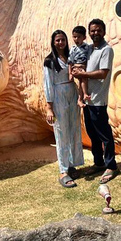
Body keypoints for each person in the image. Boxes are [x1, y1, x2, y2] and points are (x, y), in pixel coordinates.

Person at [71, 19, 118, 184]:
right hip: (87, 100)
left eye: (98, 30)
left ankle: (111, 165)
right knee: (92, 134)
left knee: (104, 134)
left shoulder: (106, 50)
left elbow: (102, 73)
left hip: (98, 100)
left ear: (104, 32)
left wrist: (82, 75)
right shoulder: (89, 49)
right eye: (92, 31)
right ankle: (99, 163)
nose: (95, 33)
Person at [43, 30, 84, 188]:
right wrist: (49, 108)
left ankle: (72, 164)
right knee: (61, 132)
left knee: (74, 129)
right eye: (58, 40)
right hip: (58, 95)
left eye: (63, 40)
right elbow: (47, 84)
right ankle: (63, 171)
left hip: (72, 93)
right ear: (53, 42)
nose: (61, 43)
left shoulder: (71, 57)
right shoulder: (49, 61)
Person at [69, 25, 91, 107]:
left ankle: (80, 99)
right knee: (83, 79)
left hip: (83, 67)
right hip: (76, 67)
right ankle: (84, 95)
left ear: (84, 37)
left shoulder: (87, 47)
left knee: (82, 82)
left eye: (79, 37)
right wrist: (70, 73)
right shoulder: (73, 48)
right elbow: (70, 61)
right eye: (74, 37)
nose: (76, 39)